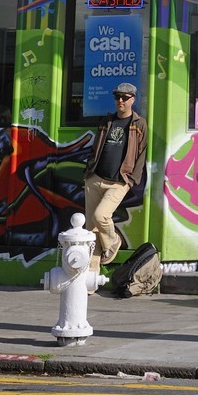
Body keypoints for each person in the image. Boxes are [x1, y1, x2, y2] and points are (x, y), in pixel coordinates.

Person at [83, 83, 148, 267]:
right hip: (95, 178)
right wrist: (89, 171)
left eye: (125, 98)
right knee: (91, 230)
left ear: (132, 100)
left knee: (101, 216)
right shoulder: (107, 121)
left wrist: (132, 179)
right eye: (117, 97)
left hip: (119, 182)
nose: (120, 100)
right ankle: (90, 280)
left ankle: (113, 241)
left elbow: (142, 153)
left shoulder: (139, 123)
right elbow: (96, 147)